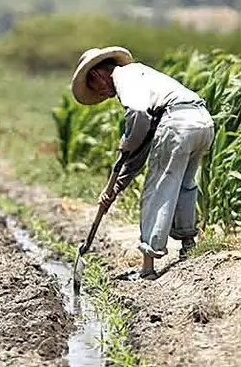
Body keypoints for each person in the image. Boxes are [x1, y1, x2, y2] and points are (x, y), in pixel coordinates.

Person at [70, 46, 215, 280]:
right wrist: (116, 187)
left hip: (177, 123)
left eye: (95, 88)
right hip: (202, 122)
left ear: (97, 75)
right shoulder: (143, 75)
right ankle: (188, 243)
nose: (102, 95)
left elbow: (137, 116)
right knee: (185, 184)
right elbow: (142, 145)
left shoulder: (125, 76)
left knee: (157, 189)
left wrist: (127, 139)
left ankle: (147, 268)